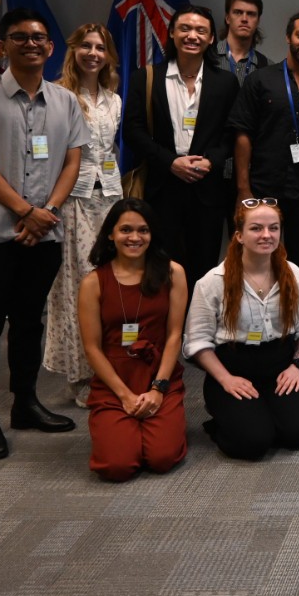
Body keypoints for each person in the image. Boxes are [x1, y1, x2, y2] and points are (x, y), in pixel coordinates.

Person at [0, 8, 90, 459]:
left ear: (51, 48)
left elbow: (72, 161)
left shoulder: (65, 100)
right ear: (2, 46)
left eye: (39, 38)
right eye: (20, 37)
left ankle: (25, 402)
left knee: (30, 322)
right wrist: (24, 210)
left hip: (44, 233)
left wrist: (46, 212)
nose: (31, 44)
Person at [185, 200, 299, 459]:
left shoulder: (294, 275)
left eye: (274, 228)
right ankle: (229, 417)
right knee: (254, 442)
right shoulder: (212, 282)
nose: (266, 235)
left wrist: (296, 366)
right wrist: (226, 379)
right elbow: (198, 342)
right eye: (256, 228)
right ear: (239, 235)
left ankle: (269, 411)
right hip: (233, 368)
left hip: (281, 364)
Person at [123, 4, 239, 296]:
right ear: (172, 32)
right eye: (185, 28)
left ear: (212, 38)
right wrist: (171, 162)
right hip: (162, 188)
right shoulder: (145, 77)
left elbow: (231, 133)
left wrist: (211, 161)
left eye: (201, 30)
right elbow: (133, 131)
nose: (192, 35)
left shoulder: (225, 83)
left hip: (208, 191)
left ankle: (198, 334)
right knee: (161, 265)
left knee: (204, 268)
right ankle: (166, 333)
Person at [78, 198, 187, 481]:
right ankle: (121, 429)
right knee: (117, 466)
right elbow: (91, 347)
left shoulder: (173, 272)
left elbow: (175, 334)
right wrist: (125, 396)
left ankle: (149, 426)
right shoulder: (93, 282)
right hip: (115, 380)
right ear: (111, 235)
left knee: (162, 458)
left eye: (143, 230)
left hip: (158, 374)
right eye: (126, 230)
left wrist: (158, 388)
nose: (135, 237)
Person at [44, 23, 124, 408]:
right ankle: (81, 376)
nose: (93, 53)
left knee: (112, 282)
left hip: (109, 198)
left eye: (101, 47)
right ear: (74, 50)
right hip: (73, 199)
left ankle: (112, 366)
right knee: (80, 285)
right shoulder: (58, 95)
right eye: (86, 46)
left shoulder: (114, 99)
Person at [229, 13, 299, 279]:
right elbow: (242, 134)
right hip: (265, 188)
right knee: (262, 256)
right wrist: (243, 188)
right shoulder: (261, 80)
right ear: (288, 37)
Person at [213, 0, 269, 84]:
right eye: (238, 12)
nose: (244, 19)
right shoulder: (207, 57)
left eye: (251, 14)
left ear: (258, 21)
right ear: (227, 18)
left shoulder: (267, 67)